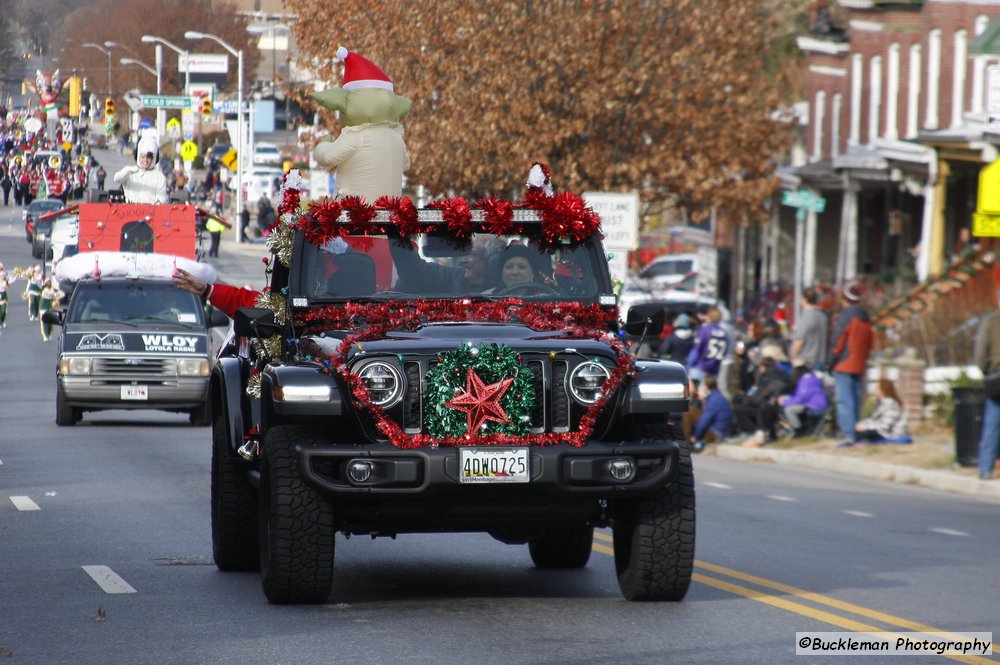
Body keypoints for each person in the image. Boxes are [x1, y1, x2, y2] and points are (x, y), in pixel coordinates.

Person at [830, 282, 876, 445]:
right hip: (860, 363)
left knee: (844, 400)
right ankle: (856, 431)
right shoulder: (865, 317)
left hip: (845, 362)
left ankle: (848, 434)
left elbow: (838, 341)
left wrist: (831, 360)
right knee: (856, 399)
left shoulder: (846, 316)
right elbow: (871, 341)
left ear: (845, 299)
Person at [733, 355, 790, 447]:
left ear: (763, 366)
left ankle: (757, 432)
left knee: (738, 409)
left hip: (767, 409)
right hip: (780, 407)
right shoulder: (783, 374)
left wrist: (745, 399)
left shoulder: (767, 378)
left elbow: (759, 398)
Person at [973, 287, 1000, 480]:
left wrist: (985, 370)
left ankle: (985, 467)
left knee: (992, 423)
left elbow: (980, 354)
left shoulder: (991, 321)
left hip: (997, 375)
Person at [111, 135, 168, 204]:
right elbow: (116, 179)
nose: (145, 160)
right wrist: (128, 170)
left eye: (149, 158)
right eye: (143, 157)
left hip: (151, 212)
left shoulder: (160, 177)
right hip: (128, 210)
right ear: (138, 156)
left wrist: (158, 203)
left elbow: (162, 198)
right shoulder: (130, 172)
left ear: (154, 159)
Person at [852, 378, 909, 444]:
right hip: (882, 431)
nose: (875, 390)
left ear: (883, 390)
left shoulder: (891, 404)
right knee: (859, 431)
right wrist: (862, 424)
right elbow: (873, 419)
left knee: (865, 433)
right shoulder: (881, 403)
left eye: (877, 388)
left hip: (892, 434)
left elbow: (885, 425)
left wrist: (865, 427)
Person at [779, 365, 829, 437]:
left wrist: (784, 402)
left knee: (789, 410)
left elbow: (801, 398)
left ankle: (799, 432)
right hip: (813, 404)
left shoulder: (806, 381)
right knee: (790, 406)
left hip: (815, 407)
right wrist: (787, 399)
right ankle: (799, 430)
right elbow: (800, 396)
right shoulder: (811, 379)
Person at [686, 306, 730, 386]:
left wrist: (689, 365)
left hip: (700, 369)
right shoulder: (724, 334)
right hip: (714, 371)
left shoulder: (705, 330)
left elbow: (696, 351)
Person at [689, 375, 732, 453]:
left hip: (716, 432)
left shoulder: (714, 400)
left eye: (701, 386)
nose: (699, 388)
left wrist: (695, 435)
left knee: (689, 413)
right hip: (720, 430)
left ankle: (688, 440)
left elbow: (705, 420)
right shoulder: (716, 396)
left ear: (706, 387)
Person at [790, 286, 829, 371]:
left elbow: (799, 342)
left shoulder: (806, 317)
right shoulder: (823, 316)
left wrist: (792, 357)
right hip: (822, 361)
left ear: (804, 299)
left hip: (807, 363)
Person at [0, 262, 13, 329]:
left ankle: (2, 321)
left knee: (3, 311)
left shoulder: (5, 280)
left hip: (3, 295)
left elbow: (7, 286)